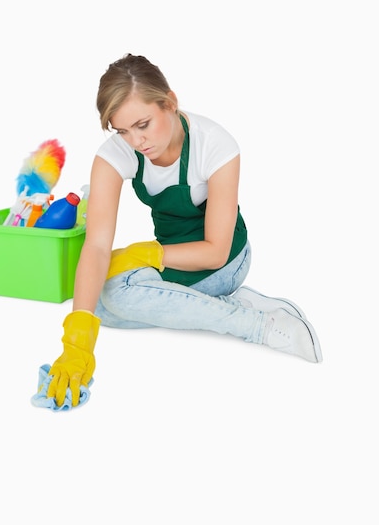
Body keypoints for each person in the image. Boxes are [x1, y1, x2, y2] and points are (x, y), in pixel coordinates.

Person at [46, 54, 322, 407]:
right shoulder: (115, 154)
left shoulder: (215, 144)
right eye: (123, 131)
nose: (136, 141)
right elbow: (97, 246)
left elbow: (216, 250)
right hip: (172, 260)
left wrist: (147, 253)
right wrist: (77, 343)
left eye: (143, 124)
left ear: (170, 103)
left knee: (118, 296)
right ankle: (217, 303)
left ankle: (259, 324)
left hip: (222, 259)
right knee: (92, 304)